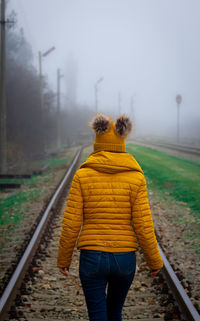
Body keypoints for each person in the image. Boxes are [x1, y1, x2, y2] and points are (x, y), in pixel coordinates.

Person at [57, 113, 163, 321]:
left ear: (97, 142)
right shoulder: (136, 177)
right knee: (115, 313)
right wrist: (154, 261)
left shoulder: (82, 175)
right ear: (122, 142)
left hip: (92, 257)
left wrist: (64, 258)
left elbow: (71, 222)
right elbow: (143, 224)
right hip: (124, 259)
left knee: (97, 315)